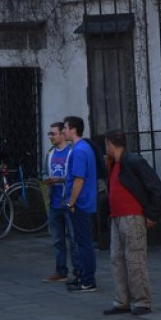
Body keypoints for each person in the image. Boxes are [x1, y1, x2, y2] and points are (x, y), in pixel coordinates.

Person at [102, 130, 161, 316]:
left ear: (110, 144)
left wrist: (151, 214)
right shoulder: (117, 163)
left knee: (134, 259)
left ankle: (141, 301)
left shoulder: (133, 162)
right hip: (117, 216)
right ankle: (122, 300)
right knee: (117, 259)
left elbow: (155, 186)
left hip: (132, 216)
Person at [62, 116, 98, 292]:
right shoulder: (83, 148)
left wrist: (71, 202)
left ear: (74, 129)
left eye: (66, 128)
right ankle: (84, 276)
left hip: (81, 204)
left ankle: (88, 280)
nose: (64, 131)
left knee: (83, 243)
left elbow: (79, 180)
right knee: (82, 242)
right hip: (84, 202)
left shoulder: (79, 151)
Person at [42, 122, 78, 282]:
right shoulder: (50, 153)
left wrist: (60, 179)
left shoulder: (72, 152)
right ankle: (61, 270)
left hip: (68, 202)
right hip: (54, 203)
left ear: (62, 135)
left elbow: (75, 177)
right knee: (57, 240)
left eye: (53, 133)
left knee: (74, 239)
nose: (50, 136)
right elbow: (44, 171)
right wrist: (46, 179)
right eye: (49, 134)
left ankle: (78, 271)